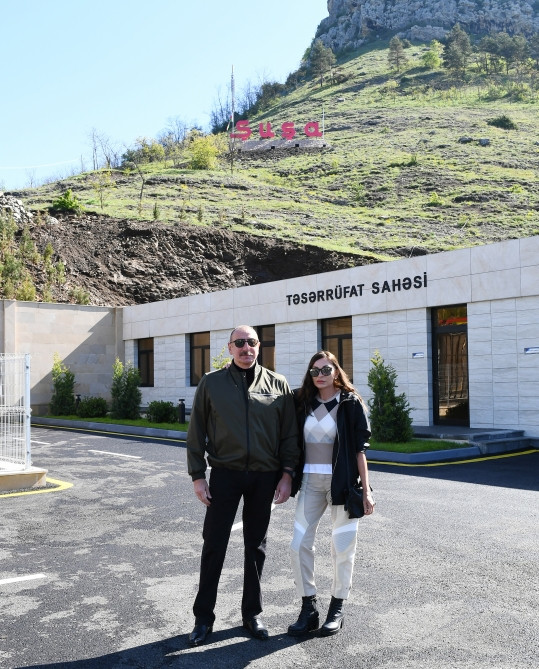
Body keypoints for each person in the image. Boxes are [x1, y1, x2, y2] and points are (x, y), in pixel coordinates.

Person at [186, 325, 299, 647]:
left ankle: (252, 614)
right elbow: (196, 431)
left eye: (251, 342)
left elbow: (289, 434)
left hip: (265, 476)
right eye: (239, 343)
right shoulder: (212, 383)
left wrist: (287, 474)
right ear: (230, 348)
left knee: (256, 546)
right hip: (225, 474)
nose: (246, 348)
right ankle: (203, 618)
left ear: (259, 346)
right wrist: (197, 475)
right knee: (214, 544)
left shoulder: (278, 384)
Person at [287, 350, 374, 638]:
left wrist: (366, 490)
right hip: (310, 482)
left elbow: (360, 450)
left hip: (343, 485)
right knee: (298, 544)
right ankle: (308, 607)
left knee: (343, 546)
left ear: (336, 371)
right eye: (315, 371)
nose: (320, 375)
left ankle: (337, 608)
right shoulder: (302, 401)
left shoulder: (349, 403)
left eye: (326, 370)